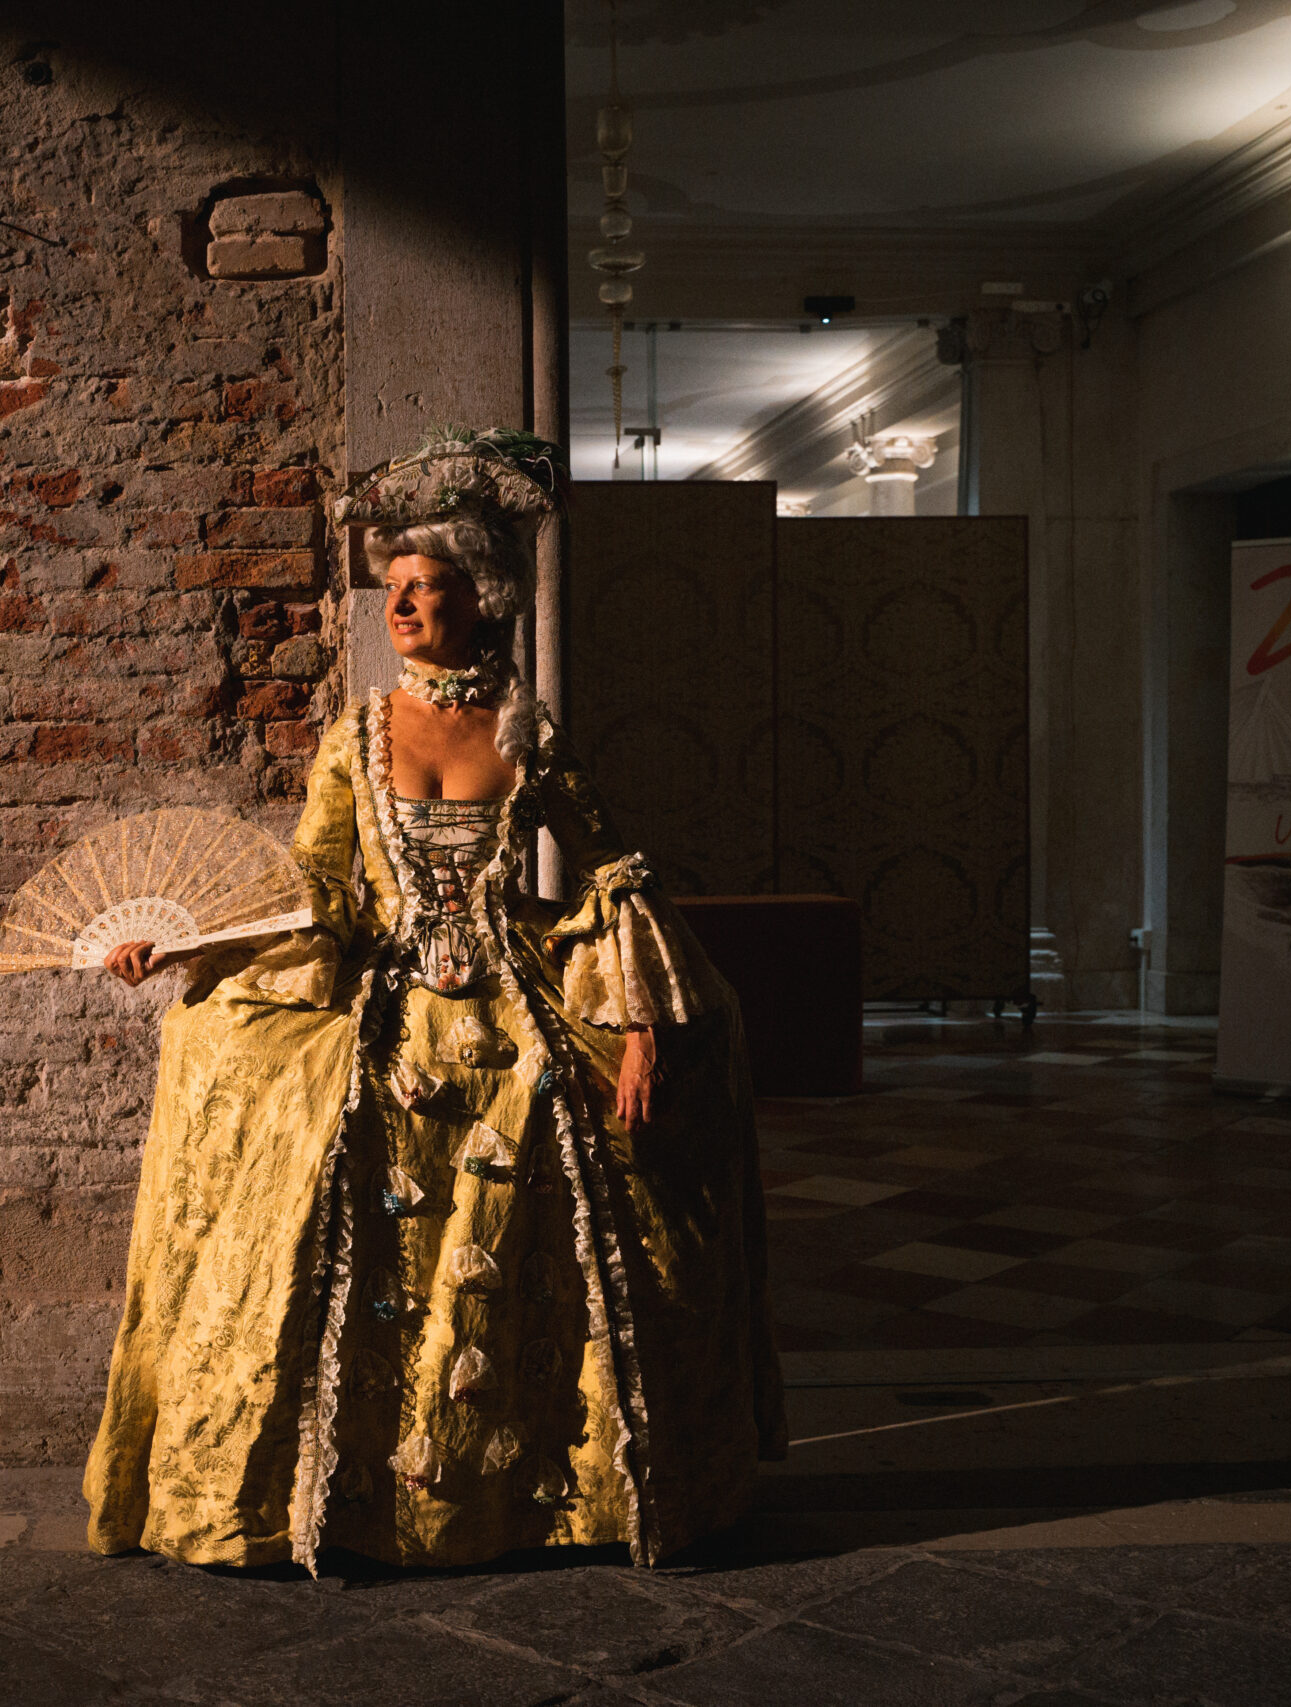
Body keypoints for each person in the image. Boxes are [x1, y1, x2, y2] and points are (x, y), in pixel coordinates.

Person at [82, 428, 784, 1572]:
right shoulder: (358, 734)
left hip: (514, 1011)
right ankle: (366, 1500)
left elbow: (611, 870)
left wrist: (642, 1022)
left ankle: (545, 1495)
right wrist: (184, 950)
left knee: (594, 1192)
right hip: (393, 1005)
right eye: (394, 588)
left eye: (427, 587)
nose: (402, 607)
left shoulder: (526, 730)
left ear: (481, 598)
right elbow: (314, 889)